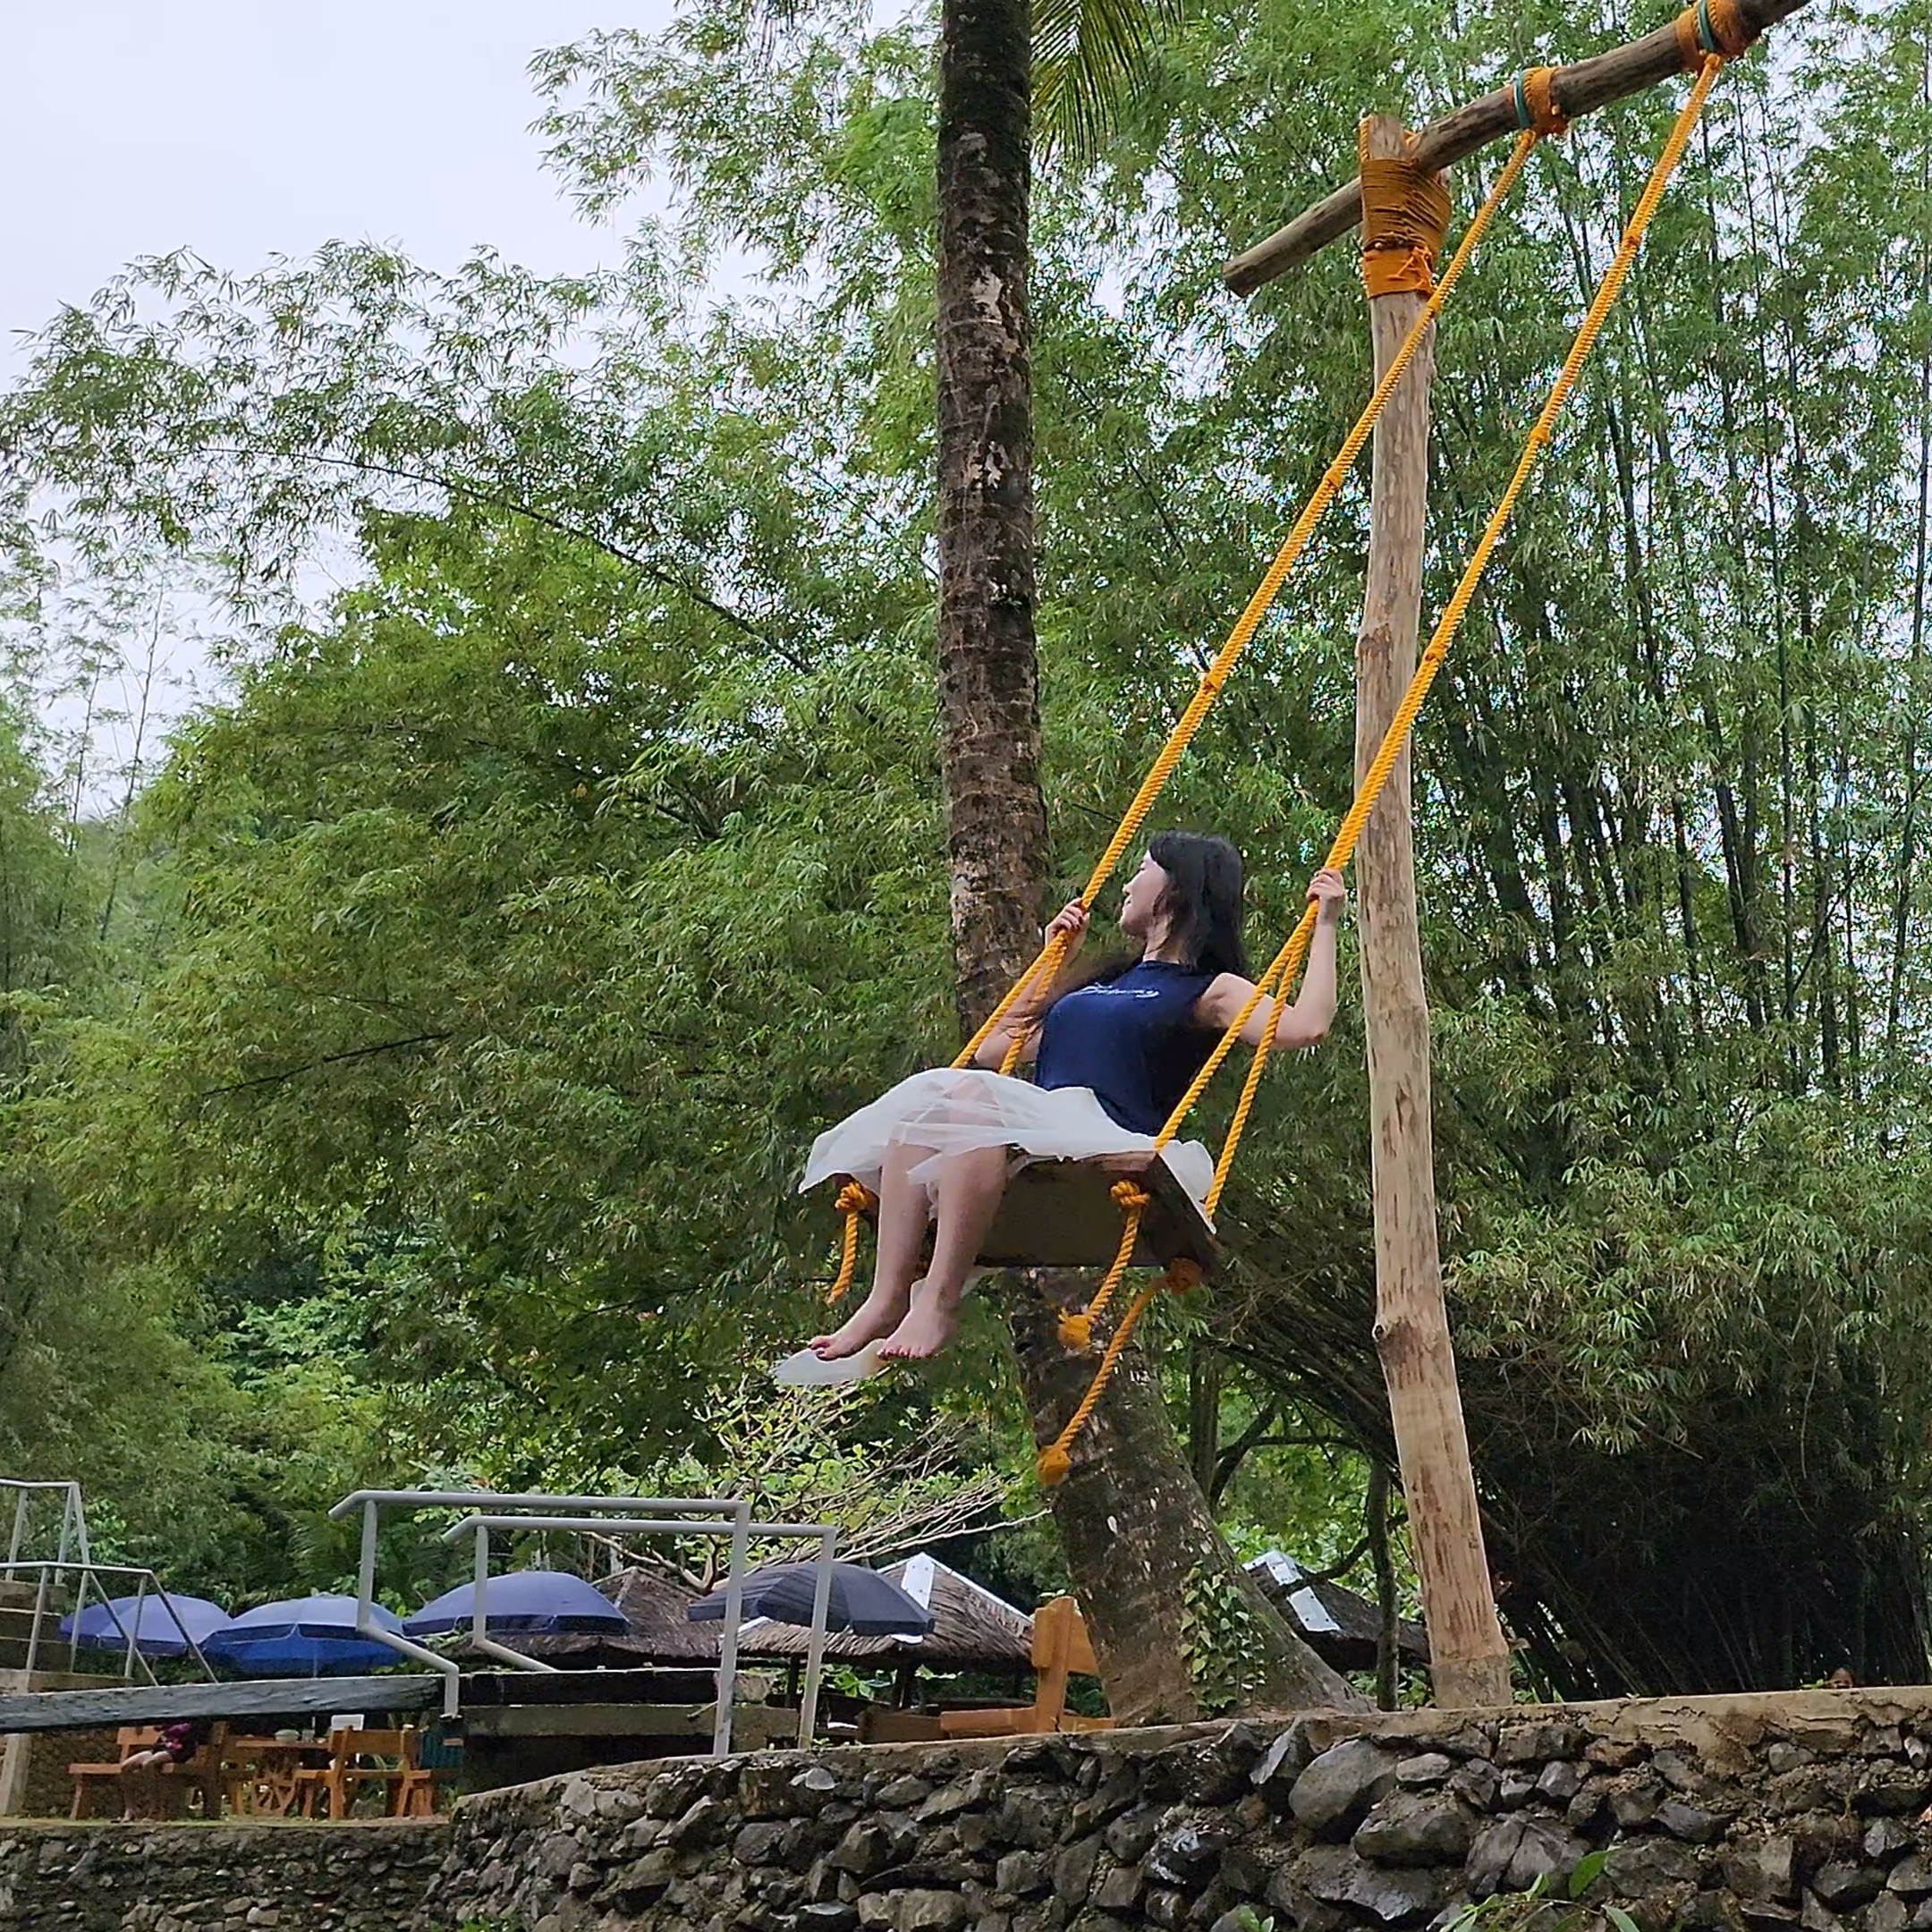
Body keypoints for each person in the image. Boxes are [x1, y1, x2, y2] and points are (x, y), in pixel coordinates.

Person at [801, 832, 1347, 1365]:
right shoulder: (1102, 984)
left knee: (961, 1095)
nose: (1128, 883)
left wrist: (1326, 924)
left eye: (1142, 869)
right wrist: (1053, 963)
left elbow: (1306, 1027)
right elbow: (994, 1048)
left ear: (1176, 889)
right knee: (930, 1104)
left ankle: (938, 1303)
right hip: (1042, 1127)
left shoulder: (1210, 989)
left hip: (1108, 1133)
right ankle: (887, 1298)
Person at [118, 1718, 208, 1819]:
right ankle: (131, 1809)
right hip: (161, 1747)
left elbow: (188, 1731)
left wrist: (170, 1727)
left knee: (149, 1763)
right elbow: (157, 1727)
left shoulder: (197, 1717)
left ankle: (155, 1809)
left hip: (181, 1749)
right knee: (126, 1766)